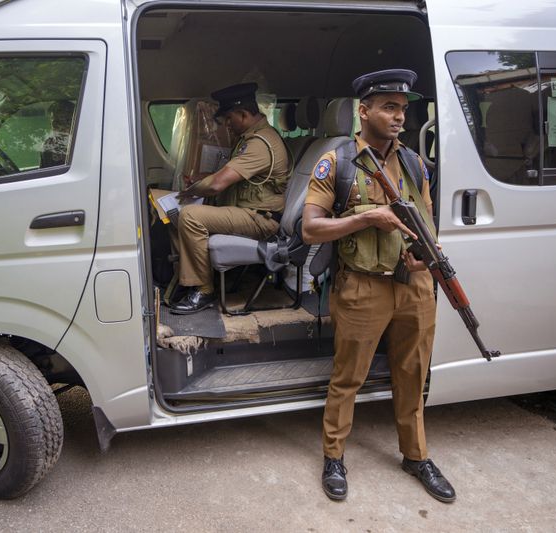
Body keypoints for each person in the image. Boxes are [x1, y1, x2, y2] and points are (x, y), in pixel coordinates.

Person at [302, 69, 456, 503]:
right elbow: (311, 229)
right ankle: (334, 456)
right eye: (389, 107)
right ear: (363, 110)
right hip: (362, 288)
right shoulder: (337, 163)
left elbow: (427, 222)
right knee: (347, 377)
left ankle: (416, 455)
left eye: (403, 109)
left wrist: (425, 255)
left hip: (414, 287)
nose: (399, 117)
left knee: (413, 374)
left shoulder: (414, 163)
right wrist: (366, 218)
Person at [170, 82, 291, 314]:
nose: (227, 124)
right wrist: (199, 178)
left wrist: (193, 189)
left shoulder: (260, 144)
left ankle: (204, 291)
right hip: (249, 212)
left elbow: (217, 184)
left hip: (261, 220)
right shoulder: (251, 138)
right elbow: (227, 174)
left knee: (190, 215)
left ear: (243, 114)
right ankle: (187, 280)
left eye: (229, 118)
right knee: (179, 215)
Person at [40, 100, 75, 168]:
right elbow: (41, 174)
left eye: (67, 121)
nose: (60, 127)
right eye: (55, 122)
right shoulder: (47, 145)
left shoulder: (82, 145)